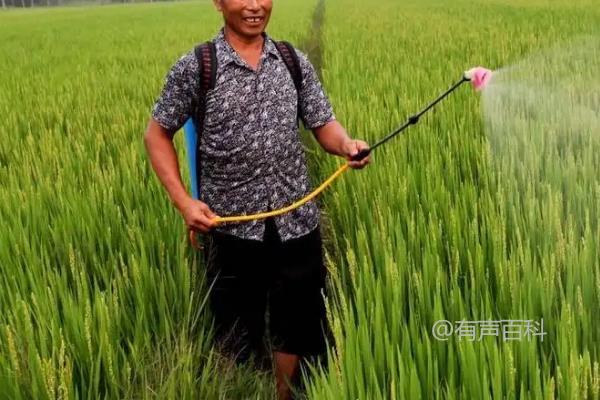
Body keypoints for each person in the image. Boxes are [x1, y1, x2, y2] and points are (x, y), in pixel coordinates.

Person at [143, 0, 371, 398]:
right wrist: (184, 202)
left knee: (297, 319)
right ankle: (238, 388)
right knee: (235, 328)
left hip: (296, 219)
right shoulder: (198, 66)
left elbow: (323, 123)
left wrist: (346, 144)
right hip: (231, 229)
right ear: (218, 3)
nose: (254, 5)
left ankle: (282, 393)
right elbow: (156, 134)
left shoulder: (291, 60)